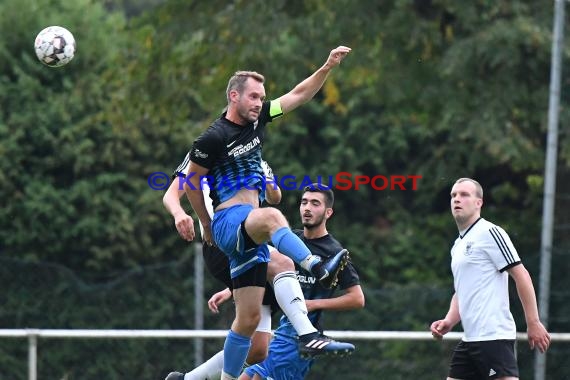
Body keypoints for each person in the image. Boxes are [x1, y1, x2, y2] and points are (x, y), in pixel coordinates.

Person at [182, 46, 353, 380]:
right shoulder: (212, 137)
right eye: (254, 97)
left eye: (262, 98)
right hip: (230, 221)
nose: (260, 103)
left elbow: (299, 95)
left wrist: (327, 67)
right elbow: (189, 182)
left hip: (249, 229)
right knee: (275, 219)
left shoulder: (259, 120)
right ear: (234, 96)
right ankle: (318, 272)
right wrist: (205, 223)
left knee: (248, 322)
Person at [163, 156, 353, 380]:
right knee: (282, 262)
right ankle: (309, 335)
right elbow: (171, 194)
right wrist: (179, 214)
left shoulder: (254, 154)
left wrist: (268, 179)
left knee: (257, 350)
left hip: (249, 241)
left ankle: (187, 379)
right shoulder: (210, 147)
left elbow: (275, 197)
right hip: (222, 243)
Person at [231, 184, 364, 380]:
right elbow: (261, 268)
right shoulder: (291, 241)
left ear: (328, 212)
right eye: (304, 202)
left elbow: (357, 299)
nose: (307, 208)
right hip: (283, 332)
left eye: (315, 203)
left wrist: (312, 304)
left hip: (300, 339)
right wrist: (229, 291)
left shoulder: (334, 252)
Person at [430, 178, 551, 380]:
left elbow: (521, 274)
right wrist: (449, 320)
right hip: (470, 340)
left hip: (493, 337)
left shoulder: (490, 232)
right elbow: (462, 290)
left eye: (464, 195)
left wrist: (534, 322)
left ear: (479, 203)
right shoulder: (458, 245)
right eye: (453, 195)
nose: (456, 199)